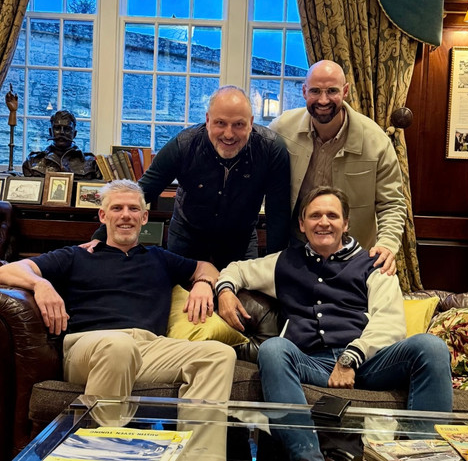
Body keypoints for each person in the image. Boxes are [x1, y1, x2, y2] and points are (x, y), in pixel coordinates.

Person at [216, 186, 452, 460]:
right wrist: (225, 290)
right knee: (273, 349)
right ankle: (308, 457)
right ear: (302, 224)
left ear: (346, 223)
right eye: (315, 216)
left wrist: (350, 359)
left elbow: (390, 322)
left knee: (431, 347)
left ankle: (423, 456)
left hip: (369, 365)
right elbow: (238, 269)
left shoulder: (373, 264)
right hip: (310, 363)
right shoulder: (284, 262)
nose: (324, 222)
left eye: (332, 215)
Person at [0, 179, 235, 405]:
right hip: (89, 347)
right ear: (103, 216)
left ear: (144, 218)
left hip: (149, 348)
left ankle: (196, 436)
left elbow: (206, 268)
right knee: (119, 346)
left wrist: (203, 283)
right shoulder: (76, 256)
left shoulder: (160, 258)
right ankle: (100, 433)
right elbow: (7, 271)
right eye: (117, 208)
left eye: (133, 209)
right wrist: (40, 284)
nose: (125, 215)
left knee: (220, 355)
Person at [88, 85, 291, 270]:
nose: (229, 134)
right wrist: (100, 237)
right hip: (187, 238)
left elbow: (278, 213)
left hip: (240, 240)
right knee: (181, 296)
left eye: (238, 124)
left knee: (242, 297)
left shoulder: (271, 149)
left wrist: (274, 268)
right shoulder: (183, 145)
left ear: (251, 123)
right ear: (208, 120)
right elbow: (141, 193)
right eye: (220, 123)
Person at [269, 60, 406, 275]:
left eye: (332, 91)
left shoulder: (376, 141)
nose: (323, 100)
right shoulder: (281, 129)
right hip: (295, 250)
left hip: (354, 256)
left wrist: (387, 244)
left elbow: (392, 203)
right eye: (315, 91)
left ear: (346, 91)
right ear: (304, 92)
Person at [22, 110, 101, 180]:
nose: (62, 132)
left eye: (67, 129)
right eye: (57, 128)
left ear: (74, 134)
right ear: (50, 132)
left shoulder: (91, 162)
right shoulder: (32, 161)